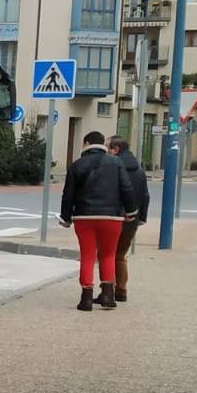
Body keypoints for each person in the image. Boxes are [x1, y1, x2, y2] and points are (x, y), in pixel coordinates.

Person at [60, 131, 139, 310]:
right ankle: (108, 295)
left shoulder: (76, 165)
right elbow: (127, 188)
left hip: (84, 217)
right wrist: (131, 211)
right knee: (108, 254)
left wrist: (66, 217)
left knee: (87, 255)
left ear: (87, 143)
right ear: (102, 144)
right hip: (111, 217)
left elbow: (68, 195)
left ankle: (86, 298)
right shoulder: (116, 162)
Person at [106, 137, 150, 300]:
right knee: (121, 255)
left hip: (114, 216)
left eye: (107, 148)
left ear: (115, 149)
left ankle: (108, 289)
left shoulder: (113, 168)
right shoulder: (139, 170)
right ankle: (121, 290)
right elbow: (145, 195)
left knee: (108, 254)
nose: (106, 151)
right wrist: (142, 216)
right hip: (132, 219)